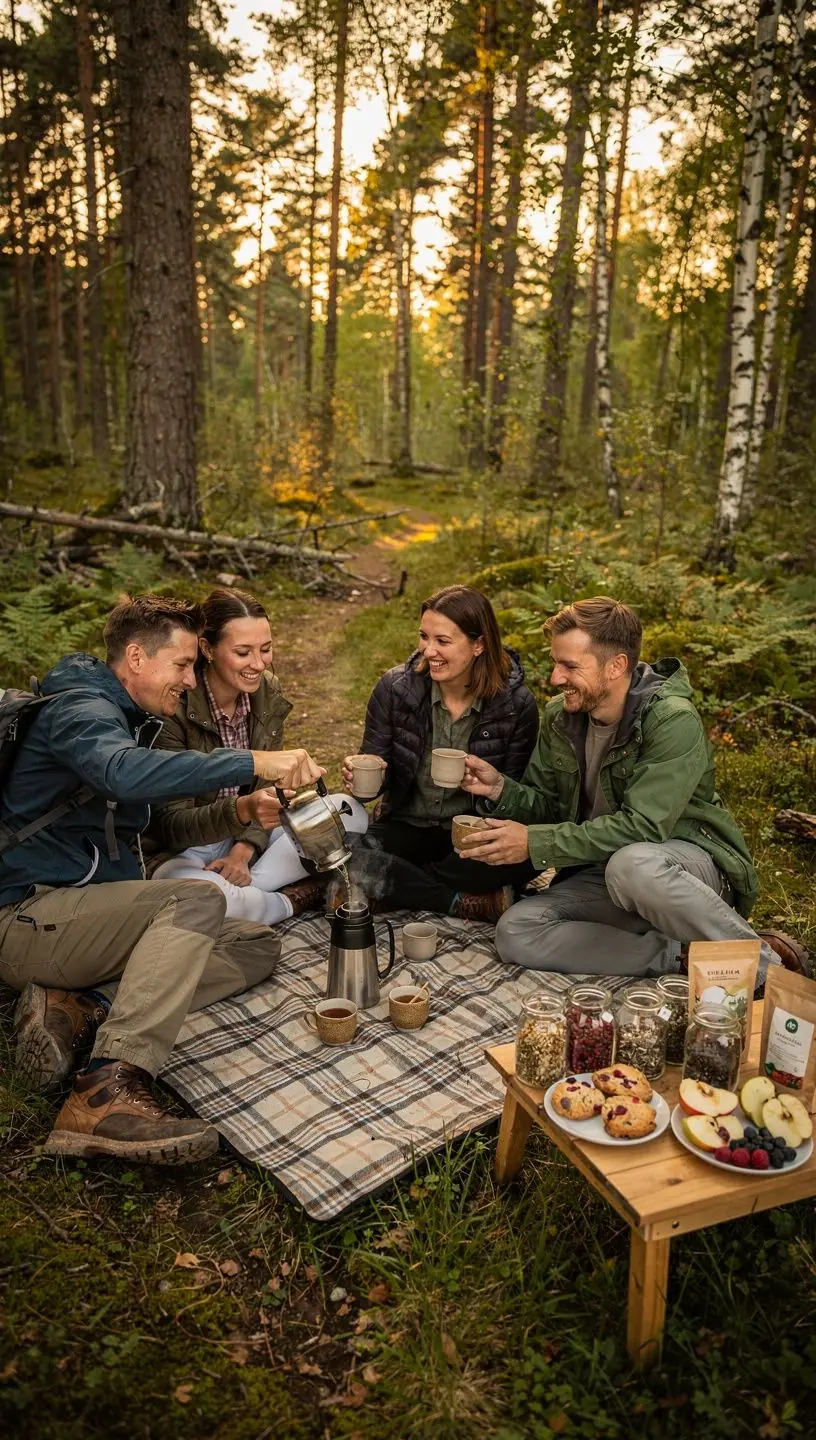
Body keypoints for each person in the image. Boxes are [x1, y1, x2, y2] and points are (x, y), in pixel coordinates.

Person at [0, 595, 324, 1164]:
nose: (189, 678)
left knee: (254, 944)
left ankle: (84, 1007)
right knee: (196, 900)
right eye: (181, 665)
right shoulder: (79, 711)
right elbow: (119, 772)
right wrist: (252, 760)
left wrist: (244, 816)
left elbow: (154, 826)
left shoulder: (132, 717)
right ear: (135, 657)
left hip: (82, 914)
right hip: (28, 916)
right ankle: (105, 1091)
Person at [460, 596, 810, 981]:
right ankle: (681, 958)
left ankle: (771, 973)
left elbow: (642, 828)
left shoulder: (671, 720)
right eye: (555, 663)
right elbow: (549, 807)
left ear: (616, 666)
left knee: (634, 864)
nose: (556, 678)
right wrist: (500, 791)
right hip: (606, 872)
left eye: (570, 666)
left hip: (681, 871)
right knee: (516, 931)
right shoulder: (562, 717)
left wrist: (534, 844)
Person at [146, 588, 368, 923]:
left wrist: (244, 849)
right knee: (210, 896)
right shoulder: (174, 708)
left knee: (349, 814)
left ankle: (249, 891)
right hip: (186, 851)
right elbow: (171, 827)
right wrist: (242, 813)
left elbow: (267, 789)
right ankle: (287, 901)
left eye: (266, 649)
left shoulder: (266, 690)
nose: (259, 664)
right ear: (207, 648)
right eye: (243, 652)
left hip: (249, 836)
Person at [341, 584, 540, 920]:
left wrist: (494, 787)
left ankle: (394, 884)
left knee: (529, 857)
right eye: (424, 637)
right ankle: (458, 900)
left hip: (470, 835)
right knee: (339, 851)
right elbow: (375, 773)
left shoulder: (516, 705)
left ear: (479, 644)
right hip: (407, 825)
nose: (428, 651)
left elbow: (521, 797)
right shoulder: (394, 689)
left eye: (442, 641)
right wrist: (365, 777)